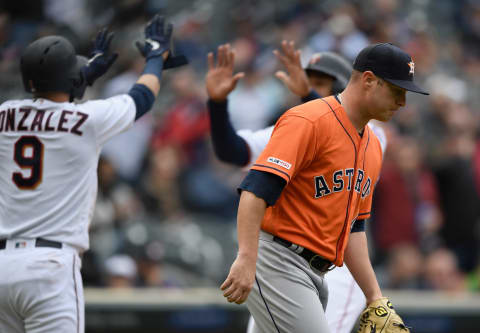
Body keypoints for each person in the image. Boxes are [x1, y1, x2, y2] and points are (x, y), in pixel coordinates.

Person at [220, 42, 428, 333]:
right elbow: (255, 190)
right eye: (397, 90)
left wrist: (374, 297)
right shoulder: (309, 119)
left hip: (317, 272)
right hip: (278, 261)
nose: (403, 102)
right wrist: (246, 257)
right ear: (368, 80)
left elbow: (354, 229)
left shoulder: (373, 146)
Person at [0, 15, 185, 332]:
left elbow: (48, 101)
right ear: (69, 80)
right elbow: (143, 97)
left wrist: (80, 76)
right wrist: (155, 58)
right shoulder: (88, 119)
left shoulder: (5, 114)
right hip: (50, 265)